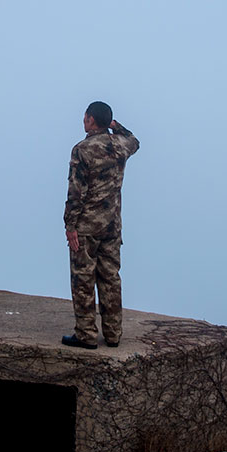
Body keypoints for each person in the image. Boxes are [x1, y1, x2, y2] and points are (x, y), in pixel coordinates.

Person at [62, 101, 139, 349]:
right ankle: (113, 333)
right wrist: (116, 126)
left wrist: (70, 225)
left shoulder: (82, 149)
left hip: (86, 226)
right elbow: (134, 140)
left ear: (90, 120)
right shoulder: (121, 145)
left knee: (83, 278)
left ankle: (86, 334)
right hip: (112, 224)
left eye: (86, 116)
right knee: (110, 278)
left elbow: (76, 191)